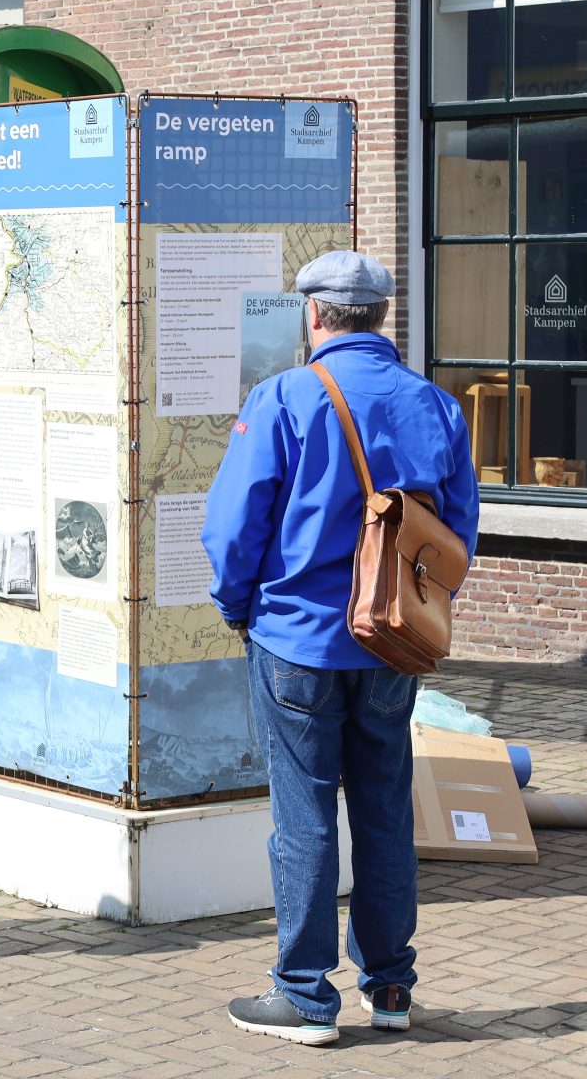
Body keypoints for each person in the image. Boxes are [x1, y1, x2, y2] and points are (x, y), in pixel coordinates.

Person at [202, 251, 478, 1046]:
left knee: (305, 817)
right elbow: (456, 540)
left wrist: (237, 608)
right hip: (393, 645)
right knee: (385, 809)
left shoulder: (283, 397)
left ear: (313, 316)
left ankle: (304, 996)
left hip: (298, 639)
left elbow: (234, 528)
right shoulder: (435, 405)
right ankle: (389, 986)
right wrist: (422, 613)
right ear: (381, 317)